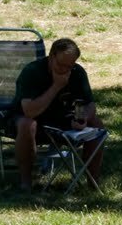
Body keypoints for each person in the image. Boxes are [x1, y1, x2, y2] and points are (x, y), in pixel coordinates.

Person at [9, 37, 106, 193]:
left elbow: (86, 103)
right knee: (27, 124)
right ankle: (26, 181)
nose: (65, 70)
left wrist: (82, 119)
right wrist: (56, 86)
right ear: (52, 56)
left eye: (70, 66)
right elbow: (29, 111)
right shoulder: (32, 72)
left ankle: (92, 182)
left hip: (61, 121)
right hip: (32, 120)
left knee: (96, 124)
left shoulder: (77, 72)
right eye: (61, 65)